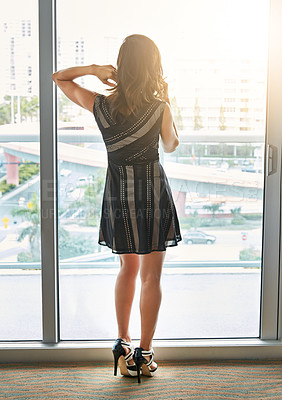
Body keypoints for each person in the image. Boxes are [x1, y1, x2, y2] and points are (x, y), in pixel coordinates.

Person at [52, 33, 182, 384]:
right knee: (151, 275)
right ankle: (144, 352)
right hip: (152, 195)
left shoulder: (101, 105)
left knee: (127, 269)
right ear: (154, 68)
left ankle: (121, 344)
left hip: (119, 196)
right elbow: (170, 146)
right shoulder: (160, 108)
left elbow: (59, 77)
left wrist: (94, 69)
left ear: (121, 67)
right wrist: (166, 106)